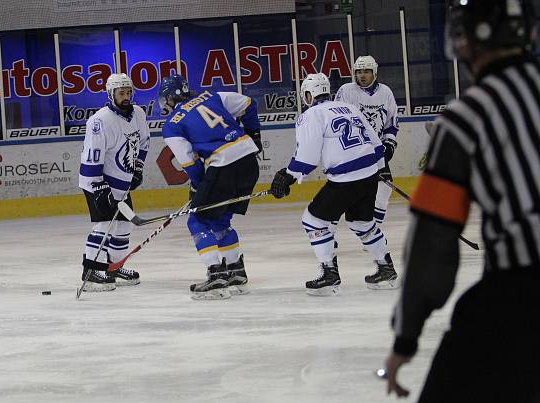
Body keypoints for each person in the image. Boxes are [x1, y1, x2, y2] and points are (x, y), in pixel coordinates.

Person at [364, 1, 540, 403]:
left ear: (466, 41)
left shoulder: (470, 115)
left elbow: (434, 245)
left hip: (520, 305)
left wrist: (405, 337)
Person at [270, 72, 397, 295]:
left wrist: (288, 175)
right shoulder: (350, 107)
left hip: (346, 178)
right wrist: (379, 169)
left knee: (313, 220)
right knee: (362, 222)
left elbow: (307, 157)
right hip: (369, 175)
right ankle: (386, 269)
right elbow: (376, 143)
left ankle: (329, 274)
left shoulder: (311, 115)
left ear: (308, 95)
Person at [158, 74, 262, 300]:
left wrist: (198, 187)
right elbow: (249, 104)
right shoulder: (213, 96)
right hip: (249, 163)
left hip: (223, 165)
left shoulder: (172, 124)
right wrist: (254, 135)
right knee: (220, 219)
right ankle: (236, 272)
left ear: (168, 99)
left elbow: (189, 164)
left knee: (198, 220)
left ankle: (216, 277)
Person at [78, 73, 150, 291]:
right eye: (121, 93)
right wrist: (99, 187)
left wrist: (137, 168)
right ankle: (91, 273)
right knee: (103, 225)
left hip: (123, 183)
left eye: (129, 92)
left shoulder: (138, 113)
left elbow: (144, 143)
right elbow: (92, 155)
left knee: (123, 225)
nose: (126, 96)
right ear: (111, 94)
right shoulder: (99, 121)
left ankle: (113, 267)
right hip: (98, 182)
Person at [335, 55, 399, 226]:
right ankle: (329, 230)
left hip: (376, 150)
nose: (362, 75)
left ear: (375, 73)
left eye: (367, 71)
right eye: (359, 72)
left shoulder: (385, 92)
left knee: (384, 188)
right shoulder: (346, 91)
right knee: (343, 193)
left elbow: (391, 124)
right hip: (353, 150)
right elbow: (337, 121)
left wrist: (389, 145)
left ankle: (374, 230)